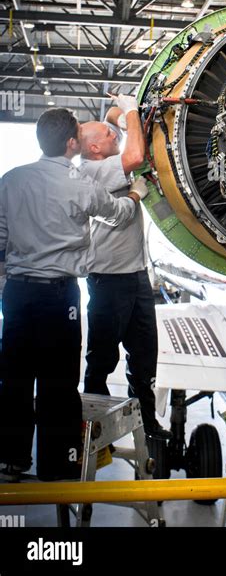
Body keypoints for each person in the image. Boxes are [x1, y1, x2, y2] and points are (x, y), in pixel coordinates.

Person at [0, 108, 148, 482]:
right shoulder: (79, 183)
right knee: (59, 383)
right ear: (71, 144)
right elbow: (117, 215)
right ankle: (58, 466)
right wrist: (134, 194)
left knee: (14, 379)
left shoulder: (11, 180)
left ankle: (11, 461)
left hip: (17, 294)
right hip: (59, 297)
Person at [79, 94, 171, 443]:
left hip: (135, 278)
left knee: (144, 361)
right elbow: (135, 153)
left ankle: (147, 424)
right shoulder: (94, 170)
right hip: (108, 281)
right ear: (95, 148)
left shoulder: (104, 158)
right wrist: (131, 112)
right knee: (101, 362)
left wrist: (123, 110)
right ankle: (94, 433)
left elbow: (112, 116)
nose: (114, 132)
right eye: (108, 133)